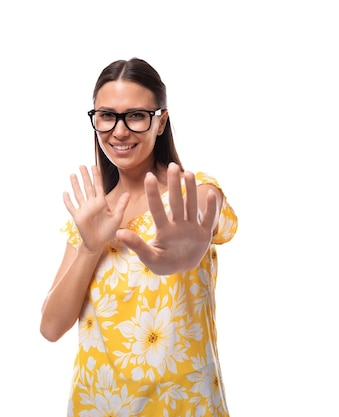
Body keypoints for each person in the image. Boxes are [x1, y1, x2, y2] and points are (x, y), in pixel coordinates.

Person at [40, 57, 238, 417]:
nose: (118, 131)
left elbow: (206, 214)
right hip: (97, 405)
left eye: (135, 115)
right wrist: (91, 246)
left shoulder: (197, 193)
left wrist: (186, 254)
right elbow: (51, 327)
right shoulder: (91, 214)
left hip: (183, 405)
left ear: (160, 121)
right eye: (106, 115)